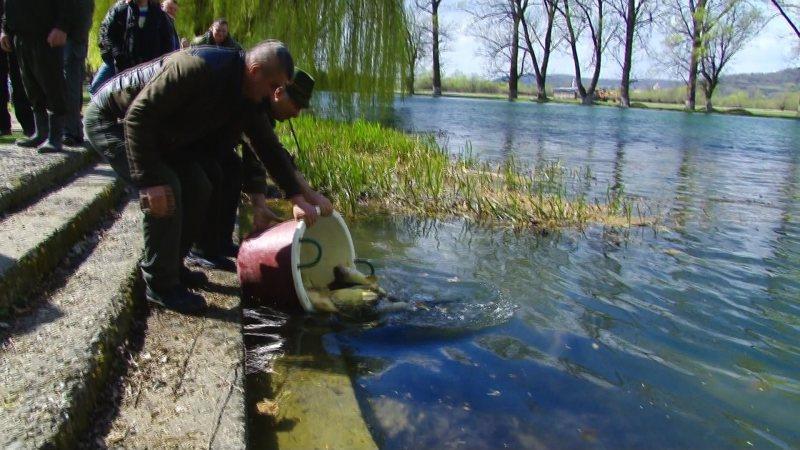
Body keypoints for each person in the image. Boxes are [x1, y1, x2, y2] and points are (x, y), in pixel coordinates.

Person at [84, 41, 330, 313]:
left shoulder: (248, 96)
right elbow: (138, 117)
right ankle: (160, 285)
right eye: (274, 87)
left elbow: (267, 148)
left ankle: (174, 266)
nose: (275, 95)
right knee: (167, 187)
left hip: (162, 134)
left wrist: (296, 196)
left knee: (199, 184)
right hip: (115, 121)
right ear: (255, 71)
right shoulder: (199, 68)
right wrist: (149, 181)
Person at [186, 68, 330, 270]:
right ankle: (200, 248)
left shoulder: (265, 109)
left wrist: (259, 205)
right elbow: (273, 157)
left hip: (214, 147)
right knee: (217, 172)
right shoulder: (254, 100)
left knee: (234, 168)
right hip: (192, 143)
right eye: (296, 105)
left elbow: (257, 158)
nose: (297, 113)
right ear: (279, 92)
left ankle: (220, 242)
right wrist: (307, 196)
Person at [0, 0, 72, 153]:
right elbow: (9, 6)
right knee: (31, 86)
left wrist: (62, 27)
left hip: (45, 35)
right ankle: (41, 132)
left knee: (52, 85)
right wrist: (4, 30)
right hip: (20, 36)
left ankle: (55, 137)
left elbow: (68, 4)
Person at [90, 0, 174, 94]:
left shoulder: (160, 16)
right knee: (96, 87)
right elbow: (106, 34)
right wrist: (116, 55)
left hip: (150, 70)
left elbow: (167, 44)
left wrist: (160, 65)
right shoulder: (120, 10)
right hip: (120, 66)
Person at [62, 0, 94, 146]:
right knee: (66, 86)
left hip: (73, 39)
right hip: (66, 36)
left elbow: (84, 10)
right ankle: (69, 130)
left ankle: (71, 131)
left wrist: (75, 35)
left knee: (70, 86)